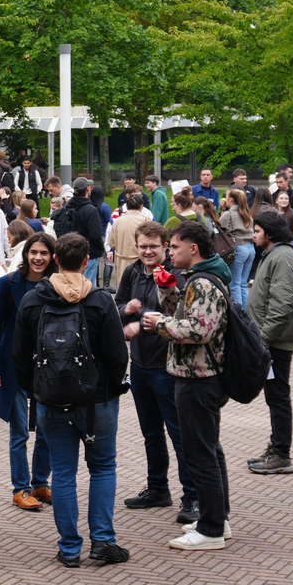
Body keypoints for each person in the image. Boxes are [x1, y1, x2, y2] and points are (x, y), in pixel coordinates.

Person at [12, 233, 129, 567]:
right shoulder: (100, 300)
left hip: (50, 401)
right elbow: (118, 355)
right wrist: (108, 387)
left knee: (63, 473)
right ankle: (103, 541)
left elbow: (19, 356)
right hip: (98, 402)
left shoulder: (35, 300)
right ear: (88, 260)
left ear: (55, 260)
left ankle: (69, 547)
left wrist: (37, 390)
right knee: (103, 467)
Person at [142, 220, 235, 551]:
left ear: (193, 249)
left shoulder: (204, 284)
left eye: (175, 247)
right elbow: (189, 314)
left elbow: (200, 330)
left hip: (199, 377)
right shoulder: (198, 281)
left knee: (200, 452)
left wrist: (161, 323)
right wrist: (168, 291)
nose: (170, 252)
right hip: (200, 376)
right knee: (209, 448)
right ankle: (217, 516)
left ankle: (211, 529)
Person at [116, 222, 199, 525]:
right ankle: (157, 488)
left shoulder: (176, 273)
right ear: (136, 247)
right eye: (143, 246)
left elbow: (186, 317)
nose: (148, 251)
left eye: (154, 246)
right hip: (139, 366)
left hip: (169, 367)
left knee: (180, 433)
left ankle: (192, 495)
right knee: (151, 433)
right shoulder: (132, 272)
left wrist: (154, 322)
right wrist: (127, 310)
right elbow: (118, 305)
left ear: (165, 247)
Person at [0, 231, 55, 512]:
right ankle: (21, 488)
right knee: (20, 432)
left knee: (47, 429)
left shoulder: (57, 283)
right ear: (25, 255)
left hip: (48, 368)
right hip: (12, 367)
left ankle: (40, 482)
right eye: (33, 252)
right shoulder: (7, 283)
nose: (38, 258)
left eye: (44, 253)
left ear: (52, 257)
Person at [245, 212, 293, 475]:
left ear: (269, 233)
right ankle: (276, 447)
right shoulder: (275, 254)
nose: (253, 234)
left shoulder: (283, 257)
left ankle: (281, 453)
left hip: (275, 342)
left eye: (257, 230)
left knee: (278, 396)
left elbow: (282, 304)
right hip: (270, 340)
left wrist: (264, 339)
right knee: (274, 396)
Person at [52, 177, 106, 282]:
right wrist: (100, 250)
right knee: (86, 286)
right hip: (88, 254)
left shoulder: (67, 207)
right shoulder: (91, 210)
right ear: (87, 189)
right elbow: (96, 235)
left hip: (69, 253)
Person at [220, 189, 256, 309]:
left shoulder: (229, 214)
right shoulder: (247, 215)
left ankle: (239, 314)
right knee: (242, 284)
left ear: (230, 199)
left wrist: (222, 211)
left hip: (238, 249)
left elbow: (220, 229)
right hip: (250, 248)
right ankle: (246, 313)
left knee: (234, 284)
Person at [108, 193, 146, 284]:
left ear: (127, 207)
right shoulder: (145, 221)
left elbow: (111, 243)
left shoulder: (117, 221)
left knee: (123, 290)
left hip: (122, 261)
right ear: (141, 206)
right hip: (140, 262)